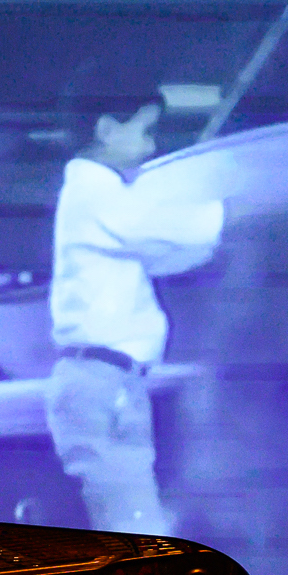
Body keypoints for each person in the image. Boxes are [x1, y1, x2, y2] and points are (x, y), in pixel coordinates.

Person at [46, 98, 225, 534]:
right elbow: (179, 229)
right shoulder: (96, 192)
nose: (149, 148)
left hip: (111, 381)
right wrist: (224, 189)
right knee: (135, 530)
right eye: (145, 132)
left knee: (139, 524)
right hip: (100, 384)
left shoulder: (102, 200)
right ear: (107, 128)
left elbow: (172, 250)